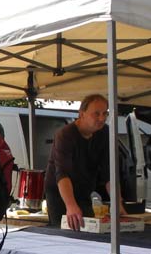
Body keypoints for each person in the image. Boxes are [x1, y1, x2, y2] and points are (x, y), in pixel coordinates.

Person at [43, 94, 124, 230]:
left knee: (88, 231)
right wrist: (71, 206)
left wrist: (117, 204)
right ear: (82, 114)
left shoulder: (104, 133)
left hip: (84, 191)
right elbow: (62, 174)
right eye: (96, 114)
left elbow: (109, 174)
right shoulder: (65, 134)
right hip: (60, 193)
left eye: (105, 113)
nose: (102, 118)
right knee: (64, 232)